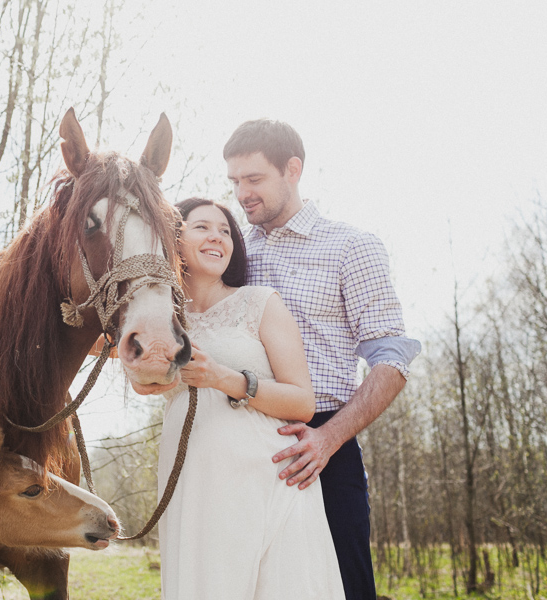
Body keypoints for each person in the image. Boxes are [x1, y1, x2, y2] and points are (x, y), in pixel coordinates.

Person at [223, 119, 421, 600]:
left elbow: (391, 360)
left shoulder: (352, 247)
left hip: (323, 446)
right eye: (234, 182)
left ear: (293, 169)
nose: (242, 194)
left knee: (343, 589)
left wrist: (329, 438)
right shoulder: (231, 250)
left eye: (254, 180)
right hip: (237, 442)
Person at [156, 197, 346, 599]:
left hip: (268, 478)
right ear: (174, 240)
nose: (217, 237)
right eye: (202, 227)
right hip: (193, 484)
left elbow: (302, 402)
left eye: (225, 230)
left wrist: (223, 378)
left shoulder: (259, 302)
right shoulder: (159, 319)